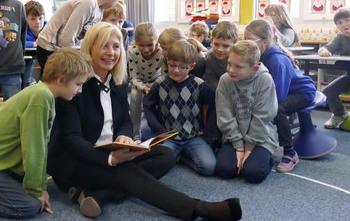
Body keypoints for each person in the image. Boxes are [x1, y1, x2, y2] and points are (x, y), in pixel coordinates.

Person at [47, 22, 242, 221]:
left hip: (106, 149)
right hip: (74, 162)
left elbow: (125, 119)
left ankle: (102, 194)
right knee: (124, 170)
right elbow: (72, 140)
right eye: (104, 46)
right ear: (90, 48)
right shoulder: (75, 84)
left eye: (116, 46)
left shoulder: (117, 81)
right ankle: (197, 208)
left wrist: (124, 136)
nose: (111, 52)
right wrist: (111, 159)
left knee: (165, 155)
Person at [0, 48, 93, 219]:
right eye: (78, 84)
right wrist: (37, 191)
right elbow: (34, 150)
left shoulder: (42, 93)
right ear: (61, 80)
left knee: (24, 186)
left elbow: (40, 149)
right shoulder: (41, 98)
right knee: (29, 206)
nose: (80, 90)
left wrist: (40, 187)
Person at [244, 19, 316, 173]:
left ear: (265, 41)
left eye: (250, 40)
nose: (246, 44)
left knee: (278, 109)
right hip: (286, 89)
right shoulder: (261, 53)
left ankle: (290, 153)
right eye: (244, 39)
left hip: (303, 92)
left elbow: (278, 96)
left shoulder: (277, 60)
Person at [143, 40, 217, 176]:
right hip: (169, 137)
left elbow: (213, 106)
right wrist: (158, 129)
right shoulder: (160, 84)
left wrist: (208, 132)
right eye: (172, 65)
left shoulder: (199, 85)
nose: (176, 70)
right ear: (167, 62)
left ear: (192, 66)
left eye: (182, 67)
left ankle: (181, 158)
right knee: (156, 164)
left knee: (208, 167)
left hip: (193, 137)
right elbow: (148, 105)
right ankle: (176, 156)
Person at [36, 0, 126, 71]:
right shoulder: (88, 2)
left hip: (61, 48)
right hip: (49, 48)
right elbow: (65, 38)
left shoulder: (100, 8)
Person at [215, 40, 278, 183]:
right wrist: (238, 147)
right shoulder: (225, 80)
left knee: (253, 173)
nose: (231, 69)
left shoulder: (264, 79)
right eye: (229, 63)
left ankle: (267, 157)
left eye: (238, 66)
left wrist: (248, 149)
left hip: (261, 137)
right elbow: (224, 115)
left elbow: (263, 117)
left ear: (254, 69)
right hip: (234, 136)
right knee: (225, 170)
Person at [128, 22, 163, 142]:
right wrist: (143, 88)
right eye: (142, 45)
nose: (146, 49)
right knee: (134, 95)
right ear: (136, 42)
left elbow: (164, 76)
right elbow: (133, 77)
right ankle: (136, 133)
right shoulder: (132, 52)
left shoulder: (161, 52)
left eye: (150, 45)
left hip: (157, 82)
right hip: (140, 83)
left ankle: (160, 129)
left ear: (156, 41)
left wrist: (154, 87)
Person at [318, 7, 350, 129]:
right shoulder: (340, 37)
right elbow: (324, 48)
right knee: (328, 92)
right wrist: (324, 51)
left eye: (347, 20)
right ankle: (340, 114)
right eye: (340, 23)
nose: (344, 24)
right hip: (349, 75)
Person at [204, 21, 238, 91]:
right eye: (216, 44)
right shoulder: (209, 58)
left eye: (225, 46)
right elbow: (211, 82)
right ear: (211, 41)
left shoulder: (239, 58)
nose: (220, 49)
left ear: (234, 45)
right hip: (220, 91)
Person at [24, 0, 47, 87]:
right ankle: (28, 82)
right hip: (27, 61)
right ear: (25, 19)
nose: (38, 22)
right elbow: (19, 43)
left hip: (45, 58)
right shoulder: (23, 30)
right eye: (33, 19)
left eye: (40, 18)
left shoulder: (49, 27)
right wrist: (34, 44)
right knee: (27, 59)